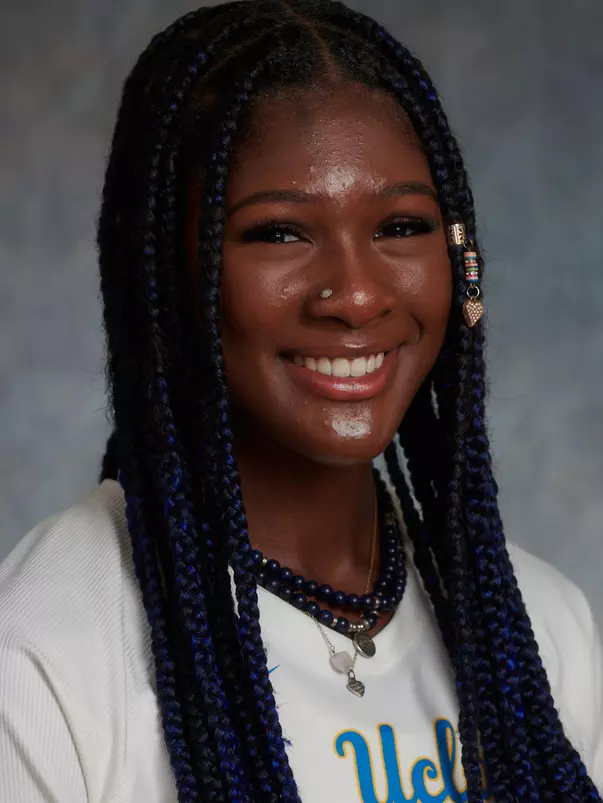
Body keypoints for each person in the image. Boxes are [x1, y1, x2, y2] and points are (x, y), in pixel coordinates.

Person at [0, 1, 601, 801]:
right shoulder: (40, 656)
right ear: (166, 271)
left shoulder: (539, 631)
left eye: (400, 225)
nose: (355, 295)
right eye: (279, 233)